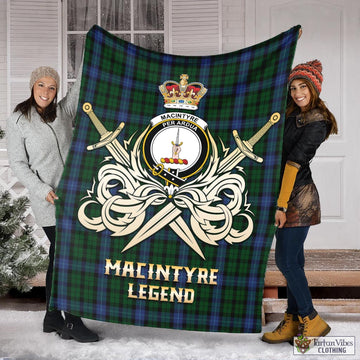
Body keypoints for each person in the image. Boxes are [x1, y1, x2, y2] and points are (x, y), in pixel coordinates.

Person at [6, 65, 99, 343]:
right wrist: (41, 188)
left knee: (60, 257)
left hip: (72, 195)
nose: (46, 92)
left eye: (52, 87)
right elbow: (19, 164)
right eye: (41, 85)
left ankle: (51, 318)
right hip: (47, 199)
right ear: (32, 86)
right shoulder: (18, 119)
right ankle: (71, 320)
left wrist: (90, 50)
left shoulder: (63, 112)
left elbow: (81, 86)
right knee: (65, 257)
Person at [262, 60, 338, 344]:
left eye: (302, 86)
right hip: (285, 194)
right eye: (293, 87)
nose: (296, 92)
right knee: (294, 260)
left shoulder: (318, 121)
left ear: (314, 89)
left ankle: (311, 318)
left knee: (285, 260)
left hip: (299, 198)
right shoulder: (291, 112)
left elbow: (293, 164)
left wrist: (281, 206)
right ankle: (293, 320)